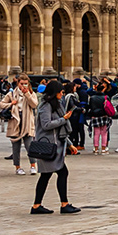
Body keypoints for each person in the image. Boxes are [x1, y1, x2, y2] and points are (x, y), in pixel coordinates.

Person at [26, 79, 80, 214]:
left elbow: (59, 131)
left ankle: (37, 206)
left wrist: (70, 144)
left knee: (46, 175)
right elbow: (46, 125)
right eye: (60, 92)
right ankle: (63, 204)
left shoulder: (56, 105)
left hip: (55, 145)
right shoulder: (45, 106)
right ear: (54, 92)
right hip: (48, 146)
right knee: (61, 172)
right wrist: (64, 119)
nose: (62, 94)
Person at [0, 76, 38, 174]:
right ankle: (17, 167)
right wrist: (11, 104)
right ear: (18, 83)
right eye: (21, 83)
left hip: (27, 122)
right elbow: (1, 104)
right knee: (16, 147)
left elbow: (34, 105)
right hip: (15, 121)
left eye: (26, 83)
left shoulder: (31, 93)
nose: (23, 86)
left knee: (30, 146)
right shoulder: (11, 94)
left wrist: (27, 94)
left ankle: (33, 166)